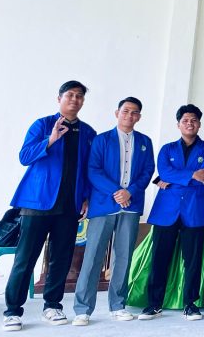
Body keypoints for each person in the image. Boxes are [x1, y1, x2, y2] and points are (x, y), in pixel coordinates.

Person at [3, 81, 96, 333]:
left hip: (69, 205)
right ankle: (12, 311)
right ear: (59, 99)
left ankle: (52, 306)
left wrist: (86, 197)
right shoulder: (42, 125)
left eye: (79, 96)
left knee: (61, 259)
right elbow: (24, 157)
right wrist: (51, 139)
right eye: (70, 95)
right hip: (37, 202)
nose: (74, 99)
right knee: (25, 259)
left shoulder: (88, 132)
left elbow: (90, 169)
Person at [72, 96, 155, 326]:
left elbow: (148, 170)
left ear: (139, 117)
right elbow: (93, 170)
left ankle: (118, 305)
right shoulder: (102, 140)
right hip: (103, 205)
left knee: (124, 256)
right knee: (93, 256)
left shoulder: (145, 142)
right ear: (117, 113)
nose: (129, 115)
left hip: (131, 206)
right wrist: (117, 192)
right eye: (125, 111)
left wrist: (131, 192)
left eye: (134, 112)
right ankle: (83, 309)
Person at [140, 104, 204, 322]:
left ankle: (190, 304)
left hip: (195, 210)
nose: (189, 123)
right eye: (185, 120)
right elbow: (163, 172)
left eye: (193, 120)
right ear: (178, 124)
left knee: (193, 261)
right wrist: (191, 175)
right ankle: (154, 304)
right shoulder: (167, 149)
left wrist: (173, 179)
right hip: (167, 210)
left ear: (199, 124)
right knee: (159, 258)